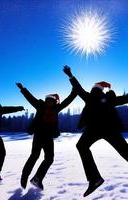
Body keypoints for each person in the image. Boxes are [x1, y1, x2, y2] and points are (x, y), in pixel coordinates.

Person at [63, 65, 128, 197]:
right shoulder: (109, 99)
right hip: (108, 129)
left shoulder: (90, 97)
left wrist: (70, 76)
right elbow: (125, 98)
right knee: (125, 152)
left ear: (94, 89)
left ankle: (94, 179)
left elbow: (78, 88)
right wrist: (71, 76)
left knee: (81, 146)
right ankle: (94, 179)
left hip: (95, 129)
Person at [16, 82, 77, 190]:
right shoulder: (40, 106)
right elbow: (30, 98)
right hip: (39, 135)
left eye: (51, 101)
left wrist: (74, 90)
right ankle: (24, 176)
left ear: (54, 102)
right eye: (48, 100)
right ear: (46, 101)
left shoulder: (56, 108)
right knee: (34, 156)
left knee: (49, 159)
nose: (49, 102)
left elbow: (68, 100)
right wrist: (23, 89)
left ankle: (37, 178)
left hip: (48, 137)